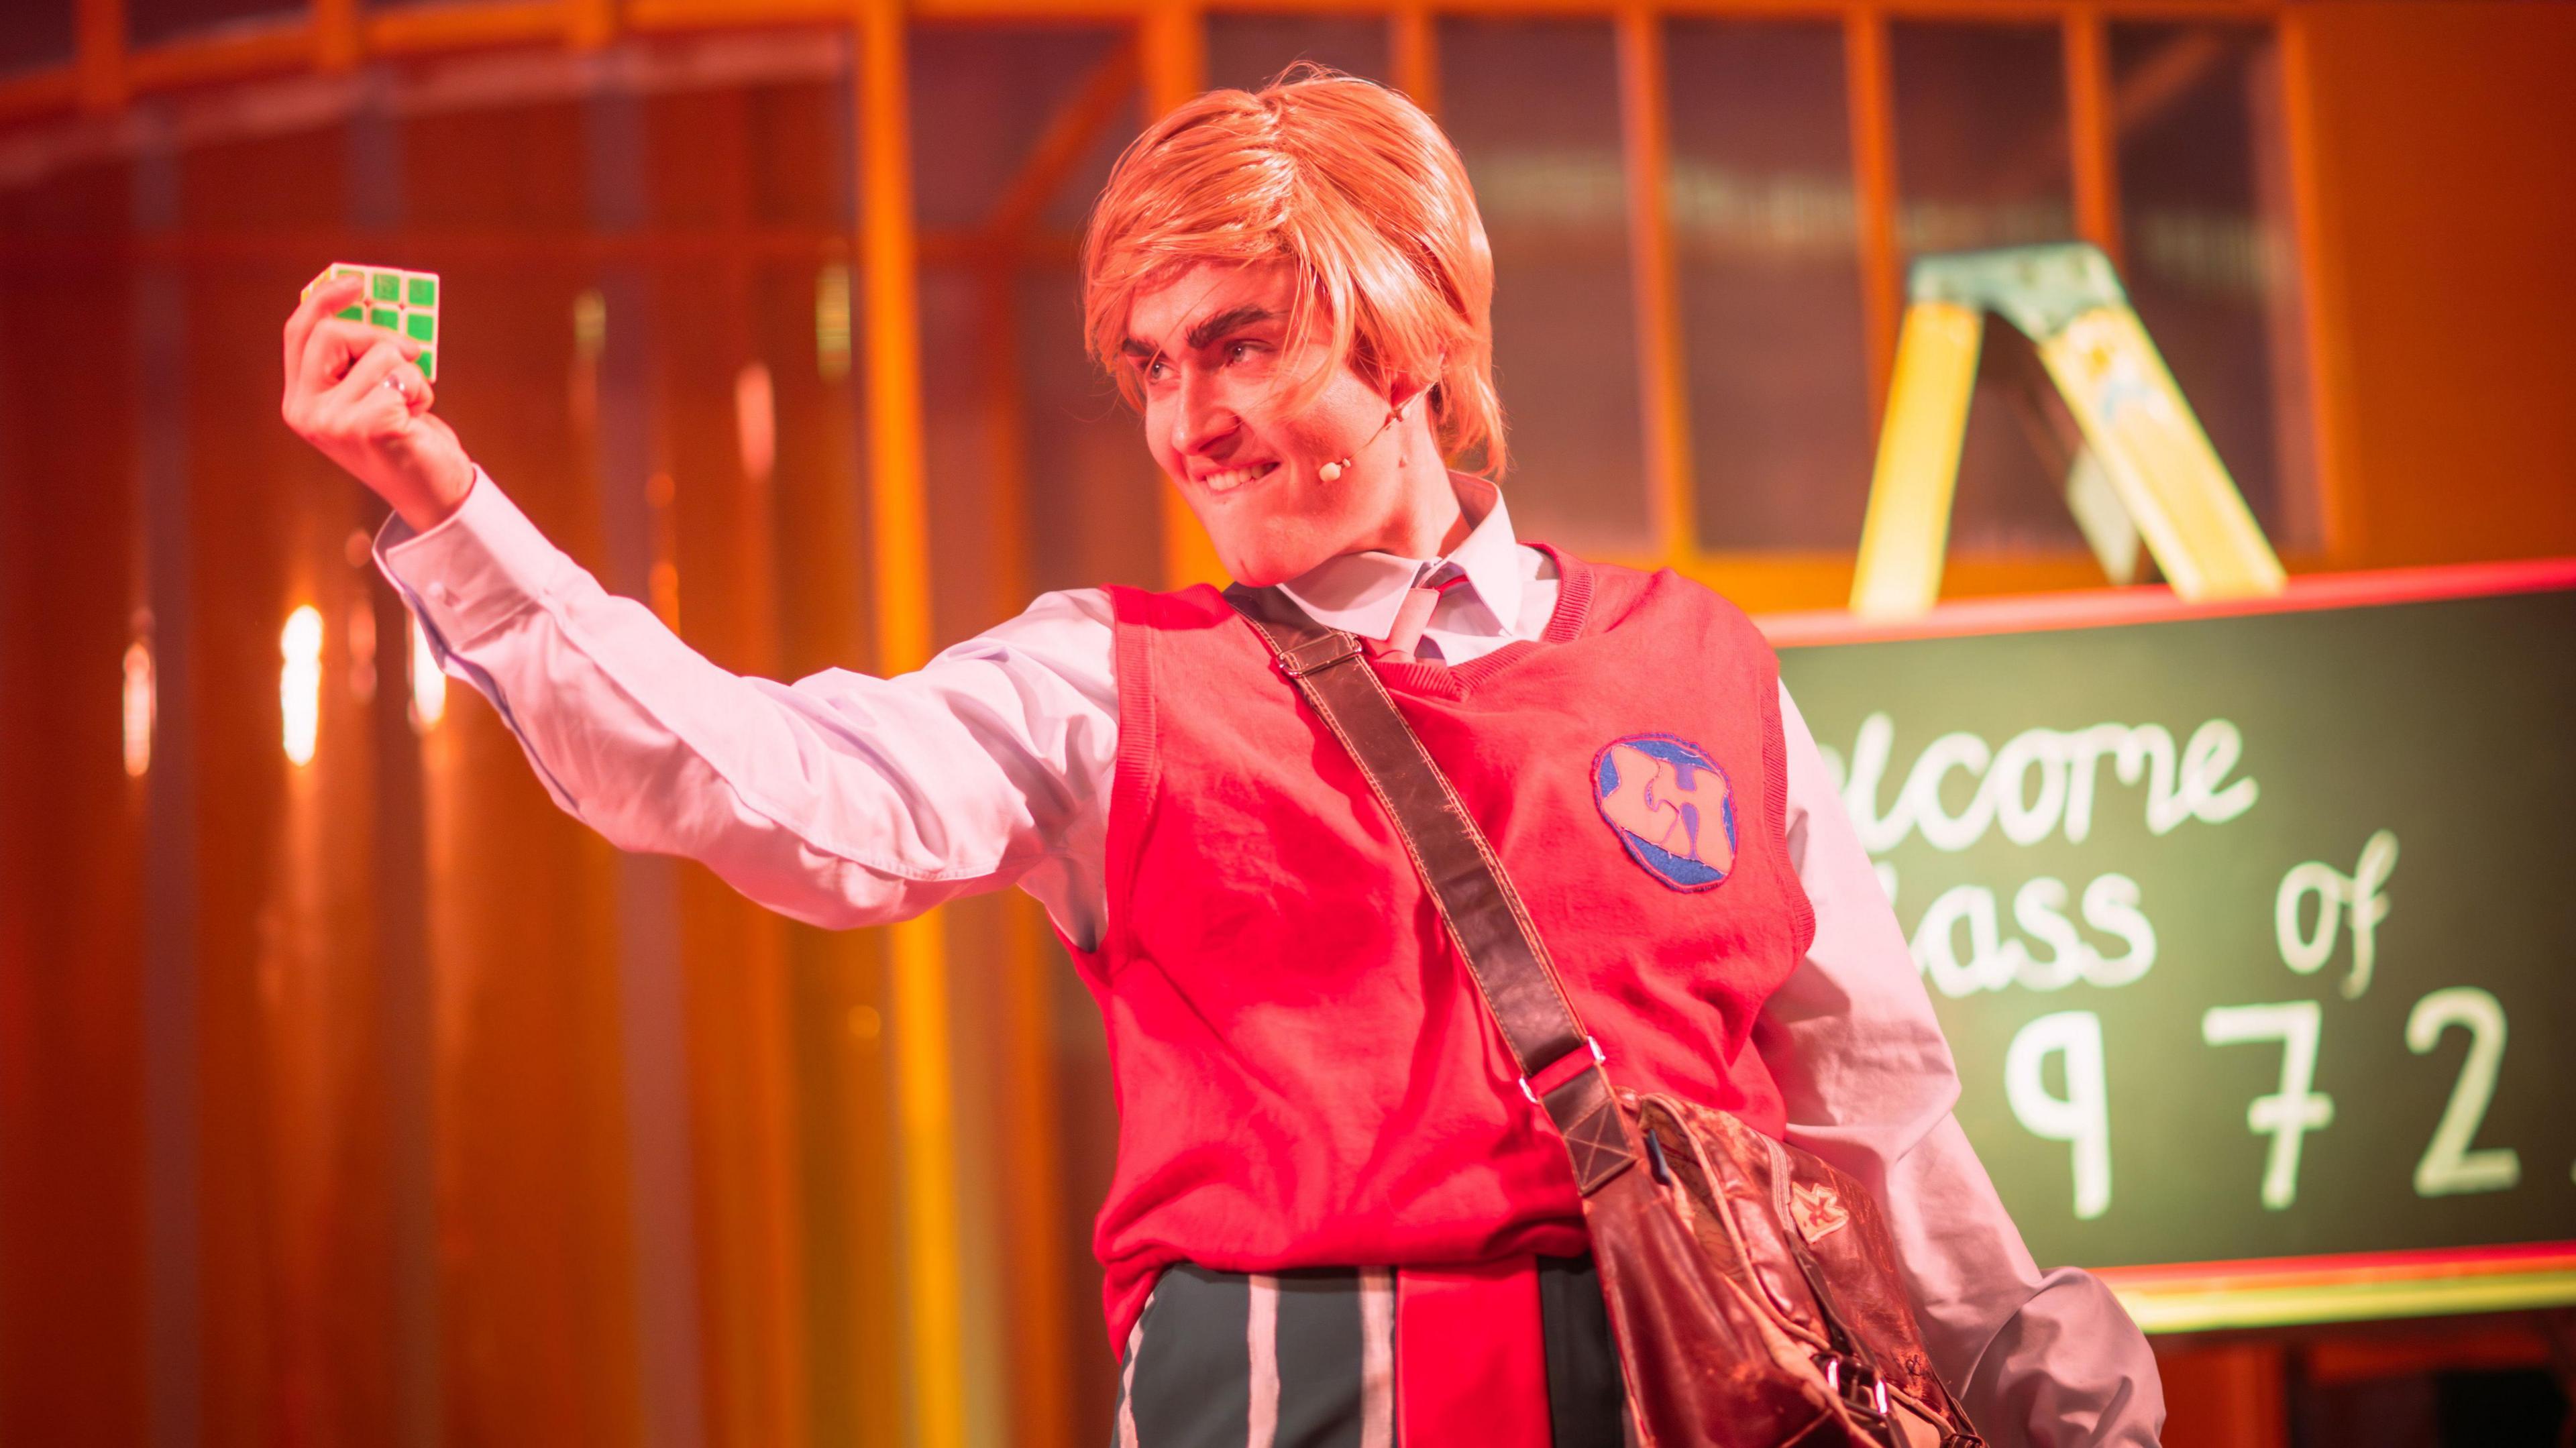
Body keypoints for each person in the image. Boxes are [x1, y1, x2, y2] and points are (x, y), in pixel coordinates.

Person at [280, 68, 2163, 1448]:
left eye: (1239, 345)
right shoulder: (1105, 682)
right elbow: (775, 792)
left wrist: (2061, 1417)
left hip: (1701, 1396)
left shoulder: (1702, 667)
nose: (1187, 420)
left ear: (1411, 333)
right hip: (1291, 1400)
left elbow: (1874, 1119)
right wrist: (448, 507)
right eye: (1153, 366)